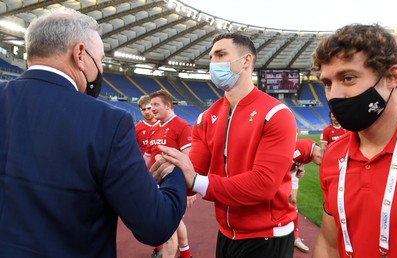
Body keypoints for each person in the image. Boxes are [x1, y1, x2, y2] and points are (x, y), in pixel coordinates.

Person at [0, 8, 187, 257]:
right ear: (80, 54)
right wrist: (173, 174)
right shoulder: (108, 122)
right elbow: (155, 225)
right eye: (99, 60)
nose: (100, 68)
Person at [158, 32, 297, 258]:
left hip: (268, 236)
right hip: (226, 233)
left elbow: (264, 184)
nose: (213, 63)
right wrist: (163, 175)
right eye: (211, 57)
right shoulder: (206, 117)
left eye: (221, 55)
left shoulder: (276, 114)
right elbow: (192, 174)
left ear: (246, 60)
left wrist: (195, 179)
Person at [311, 24, 397, 257]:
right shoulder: (333, 156)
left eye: (348, 78)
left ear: (391, 77)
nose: (335, 95)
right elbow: (329, 245)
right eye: (328, 84)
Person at [144, 89, 194, 258]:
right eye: (151, 106)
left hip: (173, 186)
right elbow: (147, 157)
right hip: (155, 185)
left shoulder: (182, 126)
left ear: (168, 105)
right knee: (174, 223)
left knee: (167, 227)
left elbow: (189, 159)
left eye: (156, 105)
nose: (152, 109)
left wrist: (189, 190)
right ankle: (186, 255)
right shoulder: (154, 129)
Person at [290, 138, 322, 253]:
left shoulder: (312, 153)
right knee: (280, 201)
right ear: (319, 156)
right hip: (283, 171)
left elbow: (300, 162)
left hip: (291, 172)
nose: (318, 165)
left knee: (293, 202)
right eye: (320, 164)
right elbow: (284, 162)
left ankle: (295, 236)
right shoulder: (303, 148)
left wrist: (301, 169)